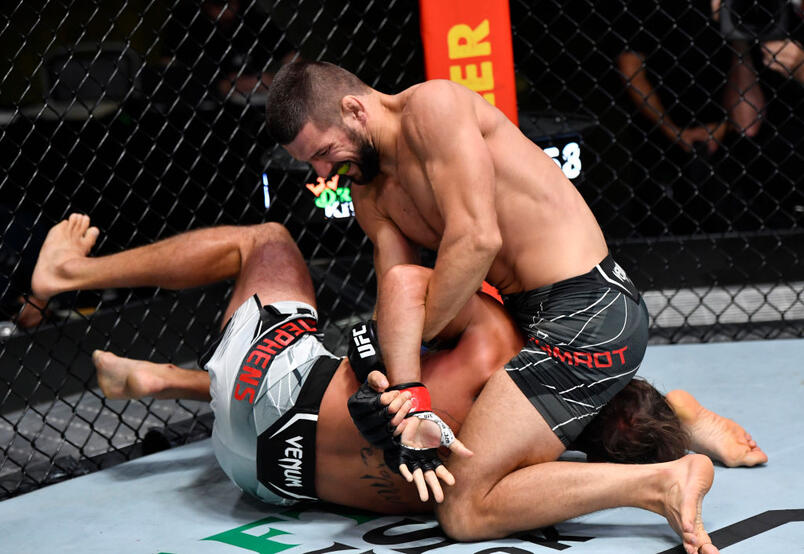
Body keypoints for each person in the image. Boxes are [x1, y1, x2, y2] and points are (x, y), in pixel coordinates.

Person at [31, 214, 766, 553]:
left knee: (269, 243)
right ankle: (168, 381)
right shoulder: (520, 465)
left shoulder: (497, 338)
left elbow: (407, 284)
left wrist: (406, 379)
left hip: (268, 388)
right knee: (355, 369)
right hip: (259, 477)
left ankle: (71, 277)